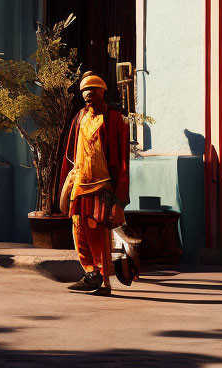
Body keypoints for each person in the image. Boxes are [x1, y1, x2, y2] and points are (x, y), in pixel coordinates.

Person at [61, 71, 131, 296]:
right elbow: (72, 153)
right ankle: (90, 273)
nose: (88, 95)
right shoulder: (79, 117)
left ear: (103, 92)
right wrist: (69, 181)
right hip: (81, 183)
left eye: (93, 91)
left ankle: (104, 281)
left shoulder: (114, 119)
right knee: (78, 228)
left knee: (99, 233)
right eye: (85, 92)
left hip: (103, 185)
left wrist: (120, 195)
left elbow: (121, 160)